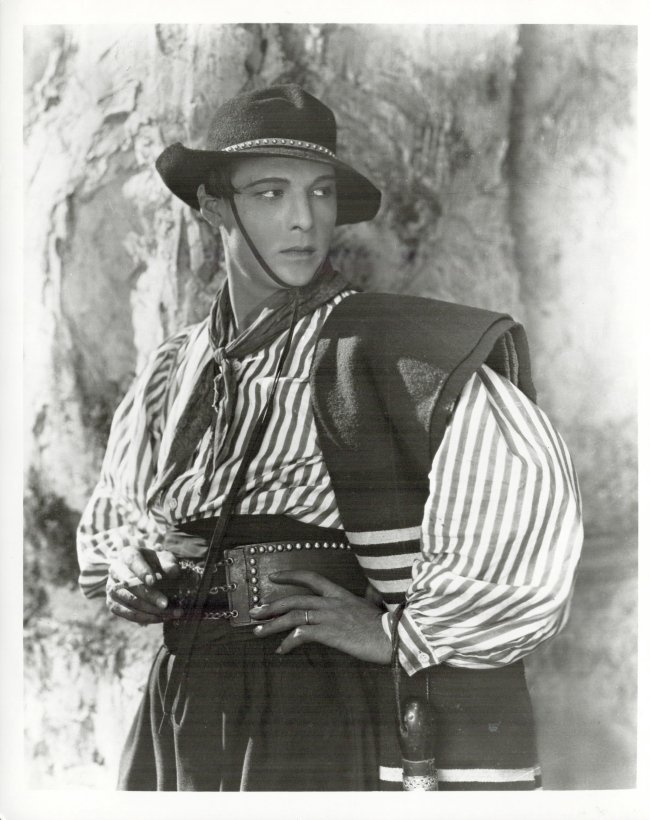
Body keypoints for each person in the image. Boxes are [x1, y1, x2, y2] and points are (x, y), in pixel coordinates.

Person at [76, 84, 583, 791]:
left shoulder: (387, 347)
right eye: (270, 193)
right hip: (184, 690)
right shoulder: (174, 367)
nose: (303, 219)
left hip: (308, 694)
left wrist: (391, 634)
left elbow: (526, 511)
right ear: (214, 204)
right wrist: (131, 569)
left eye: (319, 193)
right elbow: (122, 520)